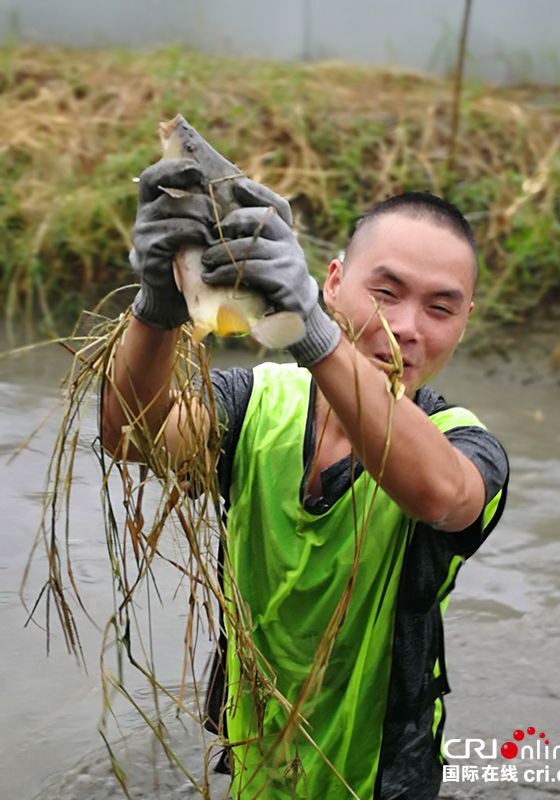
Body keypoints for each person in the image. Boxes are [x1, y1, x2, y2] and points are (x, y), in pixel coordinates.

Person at [102, 158, 509, 800]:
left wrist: (310, 331)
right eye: (385, 292)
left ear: (464, 321)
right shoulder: (256, 401)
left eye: (440, 307)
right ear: (334, 281)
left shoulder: (463, 444)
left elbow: (441, 497)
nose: (407, 328)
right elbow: (132, 434)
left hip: (378, 781)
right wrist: (157, 307)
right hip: (253, 757)